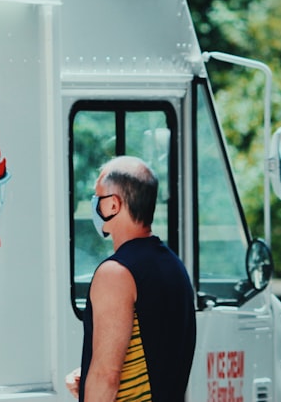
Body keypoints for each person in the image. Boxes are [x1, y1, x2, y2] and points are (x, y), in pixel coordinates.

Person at [66, 156, 196, 402]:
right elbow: (156, 355)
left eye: (98, 198)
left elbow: (106, 375)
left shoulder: (115, 273)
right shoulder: (174, 266)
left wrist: (94, 388)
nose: (94, 205)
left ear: (113, 205)